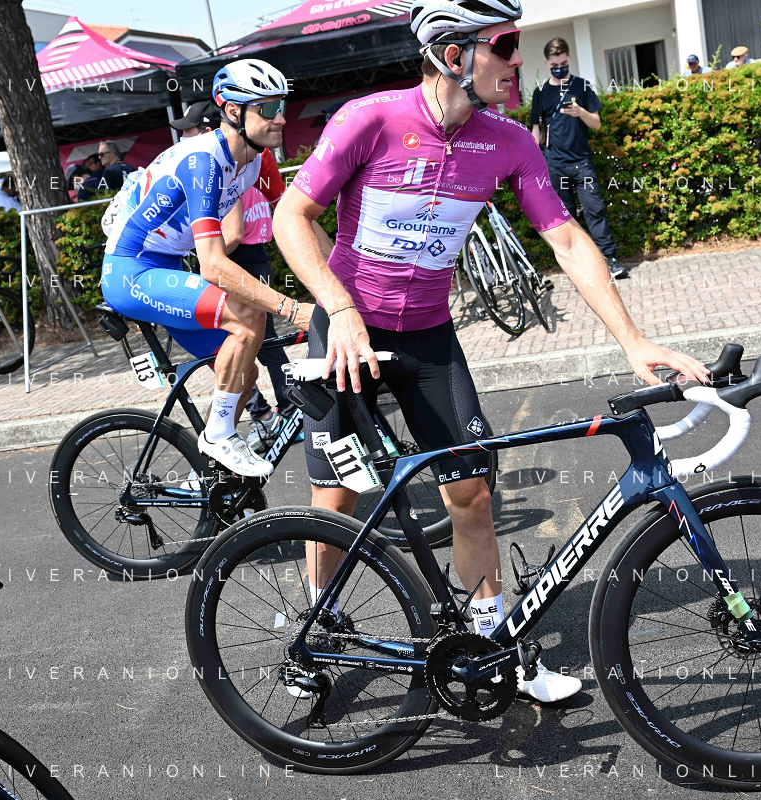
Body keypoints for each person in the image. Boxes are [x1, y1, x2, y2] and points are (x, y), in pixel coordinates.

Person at [273, 0, 711, 704]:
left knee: (472, 495)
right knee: (339, 495)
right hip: (347, 330)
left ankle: (492, 646)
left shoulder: (508, 141)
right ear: (454, 56)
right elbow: (290, 216)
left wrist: (632, 341)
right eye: (503, 46)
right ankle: (313, 624)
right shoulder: (369, 119)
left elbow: (566, 240)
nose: (517, 61)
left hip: (427, 335)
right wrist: (341, 309)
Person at [99, 59, 315, 477]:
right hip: (130, 270)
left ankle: (212, 480)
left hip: (165, 264)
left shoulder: (255, 159)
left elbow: (294, 220)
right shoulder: (203, 162)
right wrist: (292, 308)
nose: (282, 118)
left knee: (244, 373)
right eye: (269, 109)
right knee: (248, 317)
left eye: (283, 106)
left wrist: (339, 282)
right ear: (233, 111)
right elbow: (213, 264)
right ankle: (217, 436)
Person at [172, 99, 299, 455]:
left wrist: (202, 256)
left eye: (189, 131)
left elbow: (233, 232)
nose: (184, 138)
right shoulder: (223, 162)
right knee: (253, 344)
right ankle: (268, 413)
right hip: (246, 260)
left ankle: (272, 412)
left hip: (240, 261)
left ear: (209, 129)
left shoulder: (230, 164)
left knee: (255, 343)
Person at [529, 37, 625, 278]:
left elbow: (597, 124)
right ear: (546, 63)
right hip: (554, 164)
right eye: (554, 65)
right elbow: (536, 131)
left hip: (581, 163)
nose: (559, 68)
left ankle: (610, 259)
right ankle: (579, 265)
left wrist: (581, 112)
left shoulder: (582, 86)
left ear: (569, 58)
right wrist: (532, 160)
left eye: (563, 64)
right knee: (565, 217)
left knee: (595, 210)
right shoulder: (540, 93)